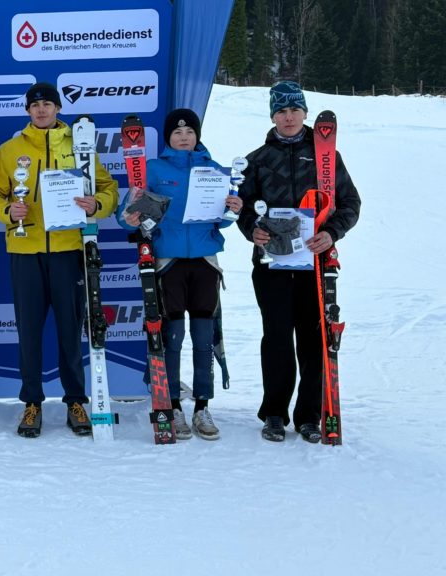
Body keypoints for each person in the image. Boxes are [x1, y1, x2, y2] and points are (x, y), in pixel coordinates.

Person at [0, 83, 119, 437]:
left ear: (58, 108)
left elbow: (108, 189)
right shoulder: (10, 150)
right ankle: (32, 403)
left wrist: (97, 204)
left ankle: (75, 400)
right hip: (25, 251)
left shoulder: (80, 146)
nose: (41, 110)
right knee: (28, 331)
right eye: (35, 105)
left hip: (68, 250)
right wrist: (8, 211)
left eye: (47, 104)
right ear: (27, 111)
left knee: (70, 330)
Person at [236, 82, 360, 443]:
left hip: (315, 263)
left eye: (294, 110)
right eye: (281, 111)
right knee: (276, 337)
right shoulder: (257, 159)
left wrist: (332, 233)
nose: (288, 117)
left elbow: (350, 203)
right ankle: (274, 413)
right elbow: (242, 206)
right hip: (272, 263)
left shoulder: (326, 156)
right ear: (272, 115)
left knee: (312, 338)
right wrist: (252, 229)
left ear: (305, 113)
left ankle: (309, 415)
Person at [116, 108, 241, 440]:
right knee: (172, 337)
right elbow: (125, 213)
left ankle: (202, 406)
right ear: (168, 137)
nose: (184, 137)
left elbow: (222, 220)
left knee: (204, 338)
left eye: (189, 132)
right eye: (177, 132)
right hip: (168, 262)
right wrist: (129, 215)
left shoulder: (213, 170)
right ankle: (172, 405)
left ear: (197, 135)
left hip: (204, 262)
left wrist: (232, 210)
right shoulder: (154, 169)